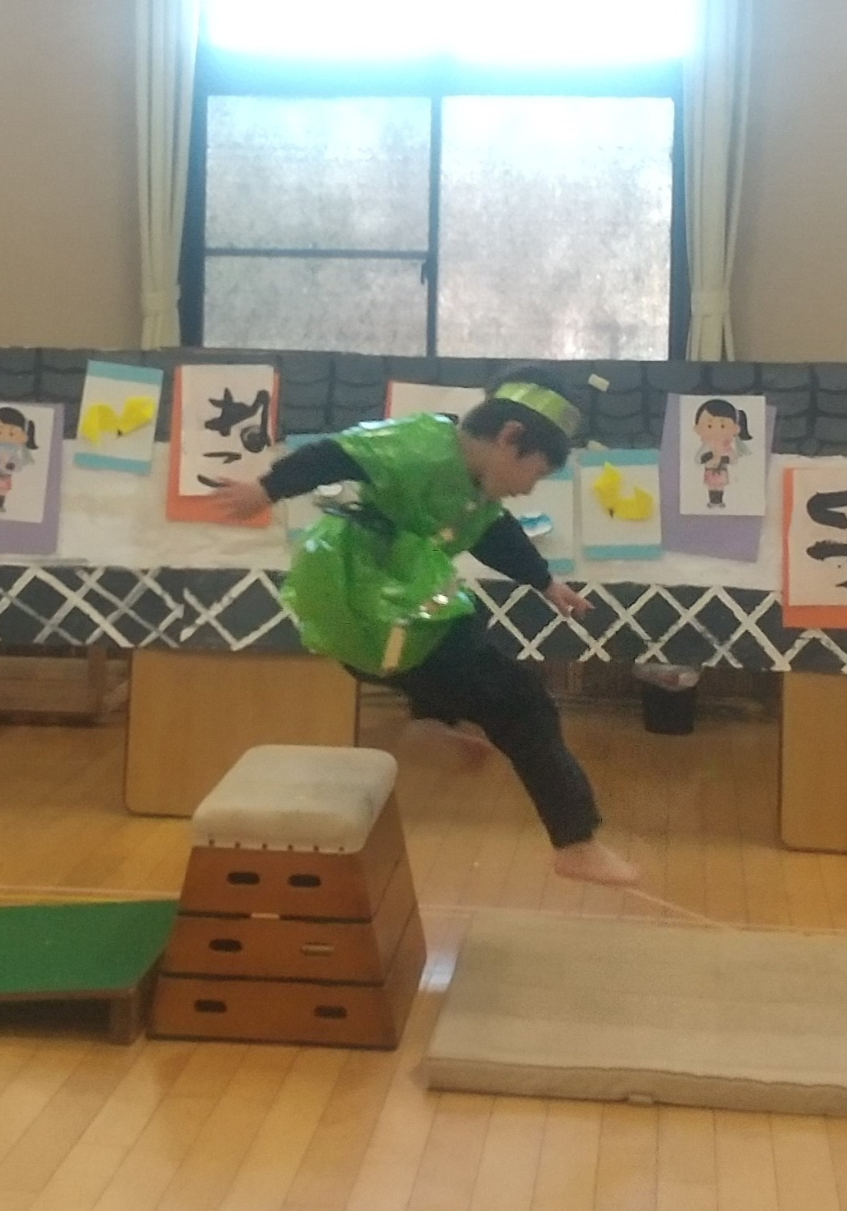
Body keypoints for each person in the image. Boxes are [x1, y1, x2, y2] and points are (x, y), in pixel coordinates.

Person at [210, 366, 642, 889]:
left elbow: (492, 533)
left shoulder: (474, 484)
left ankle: (430, 720)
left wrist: (544, 582)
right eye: (536, 472)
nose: (529, 487)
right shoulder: (420, 445)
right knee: (522, 701)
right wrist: (265, 489)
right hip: (367, 603)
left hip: (385, 611)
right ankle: (575, 843)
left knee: (463, 627)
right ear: (510, 438)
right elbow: (336, 453)